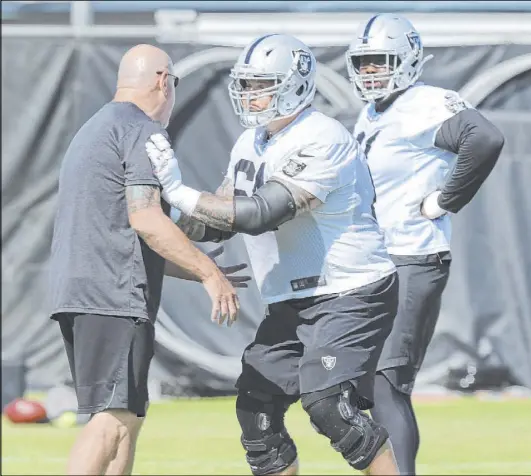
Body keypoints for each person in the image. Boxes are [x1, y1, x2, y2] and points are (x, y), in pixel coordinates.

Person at [147, 34, 402, 475]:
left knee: (328, 406)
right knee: (256, 408)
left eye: (261, 84)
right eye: (246, 85)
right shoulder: (251, 142)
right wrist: (157, 208)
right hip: (292, 299)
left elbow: (262, 213)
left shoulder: (323, 136)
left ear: (296, 84)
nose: (250, 95)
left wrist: (179, 190)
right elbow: (216, 220)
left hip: (350, 290)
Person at [48, 44, 250, 476]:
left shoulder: (97, 126)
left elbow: (118, 230)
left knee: (129, 418)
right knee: (111, 419)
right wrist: (209, 272)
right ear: (163, 81)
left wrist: (195, 268)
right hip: (112, 297)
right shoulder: (142, 130)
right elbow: (145, 218)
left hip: (85, 292)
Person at [345, 13, 504, 475]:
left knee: (386, 381)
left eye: (381, 60)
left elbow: (486, 137)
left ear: (408, 58)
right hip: (375, 262)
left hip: (412, 259)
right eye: (365, 62)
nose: (372, 71)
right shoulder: (371, 111)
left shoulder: (425, 102)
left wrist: (443, 200)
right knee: (362, 384)